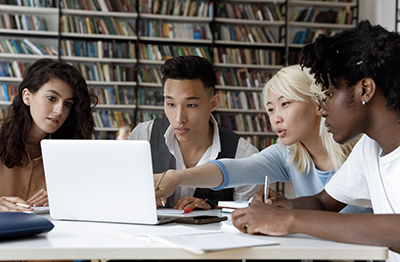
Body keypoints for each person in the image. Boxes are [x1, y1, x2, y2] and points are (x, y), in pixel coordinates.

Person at [152, 63, 369, 213]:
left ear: (317, 102)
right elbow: (236, 169)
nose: (276, 118)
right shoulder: (288, 153)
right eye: (271, 109)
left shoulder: (363, 150)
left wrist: (288, 211)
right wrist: (176, 178)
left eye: (285, 104)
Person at [129, 55, 260, 210]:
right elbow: (119, 194)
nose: (179, 118)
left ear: (213, 103)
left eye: (190, 105)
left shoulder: (244, 155)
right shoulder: (143, 137)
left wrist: (214, 208)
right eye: (170, 104)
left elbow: (250, 216)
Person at [0, 58, 96, 212]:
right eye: (51, 98)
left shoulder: (71, 151)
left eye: (68, 104)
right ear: (27, 96)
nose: (59, 111)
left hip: (47, 234)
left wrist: (64, 198)